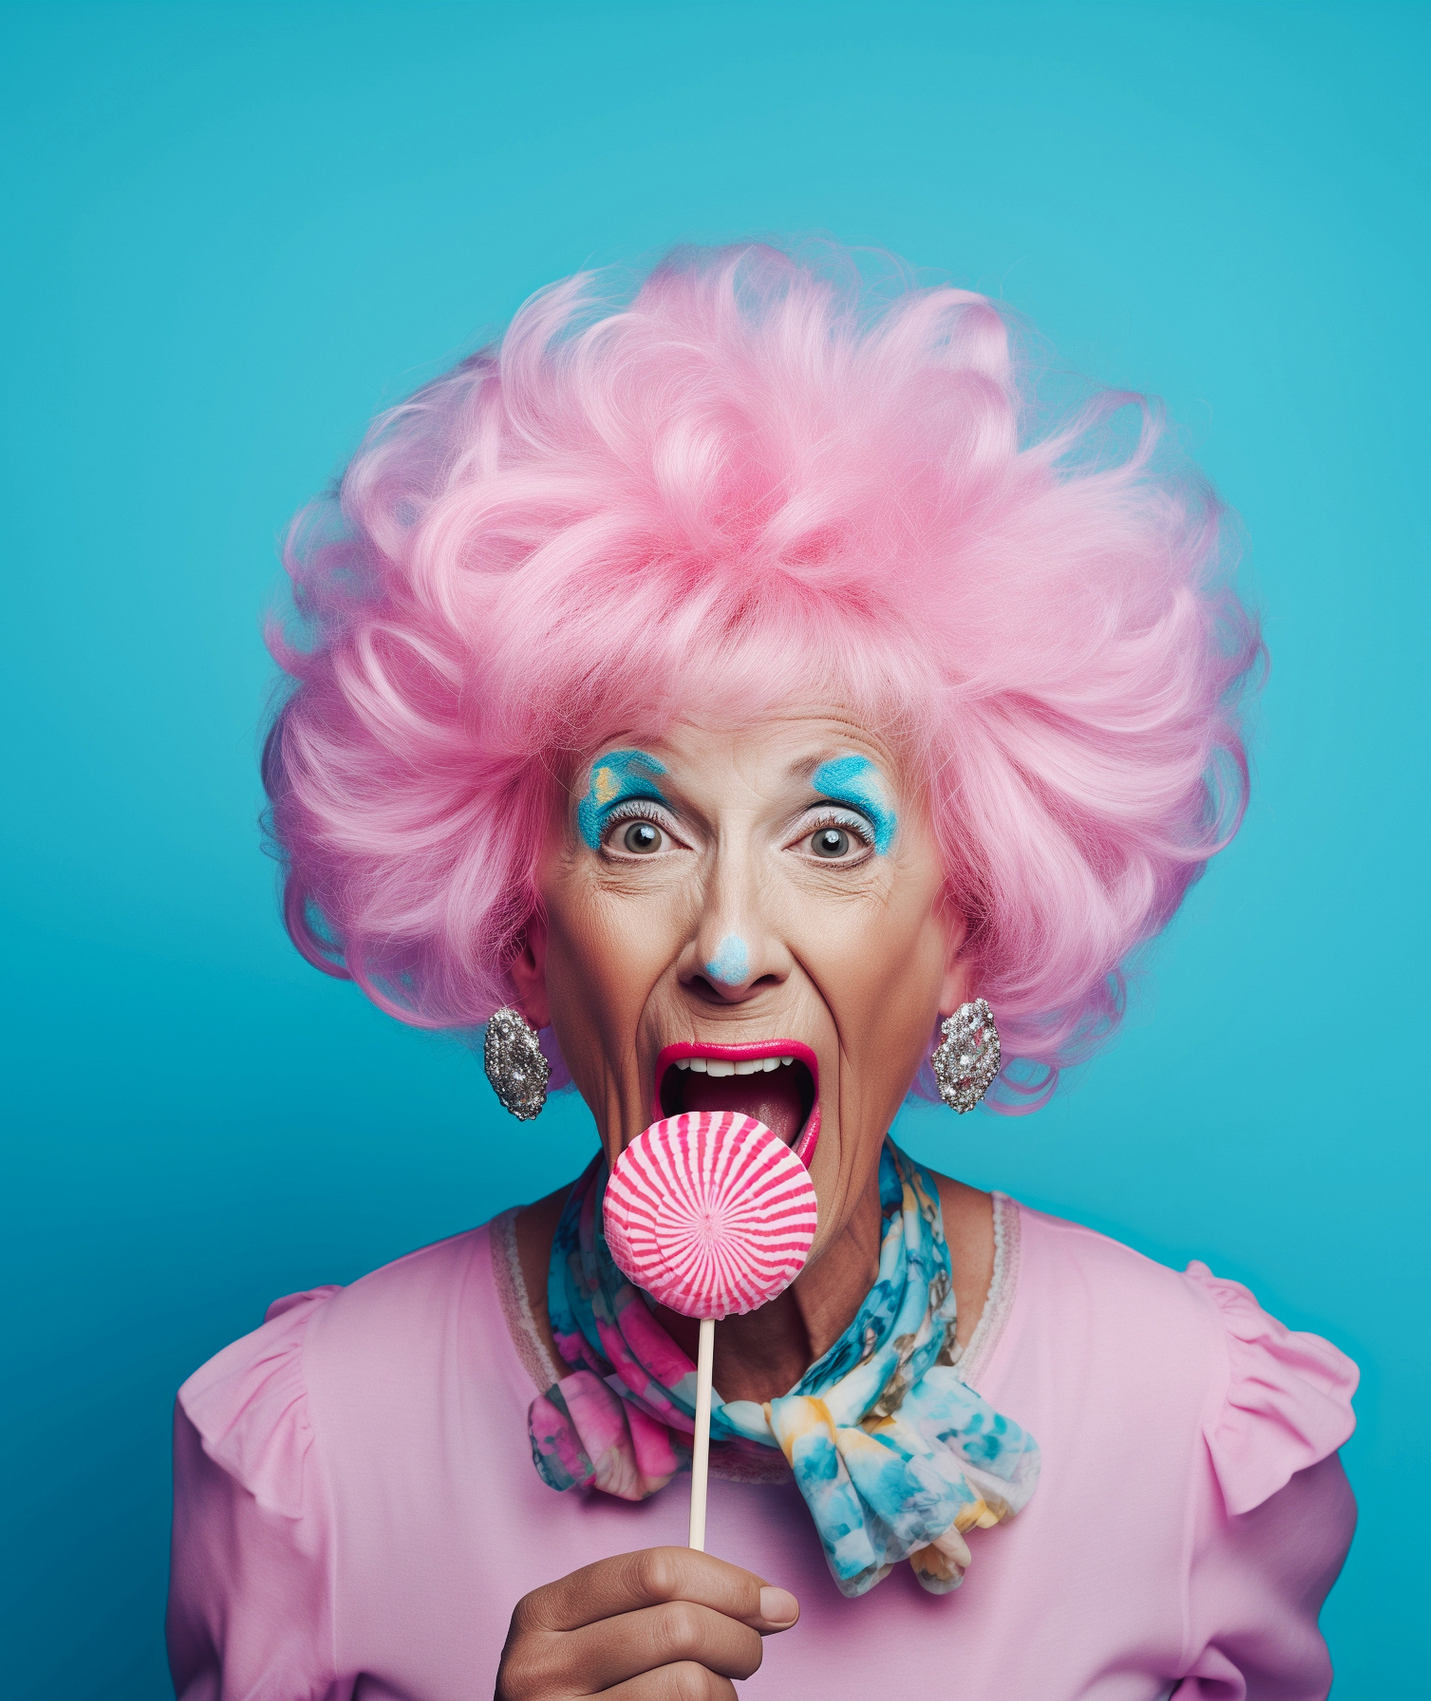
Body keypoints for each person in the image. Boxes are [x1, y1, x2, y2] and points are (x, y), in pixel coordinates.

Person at [169, 244, 1358, 1700]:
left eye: (834, 834)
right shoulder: (312, 1461)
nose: (729, 944)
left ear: (968, 925)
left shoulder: (1188, 1433)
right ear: (526, 943)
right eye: (645, 829)